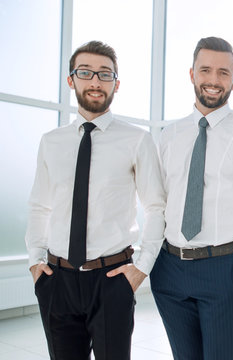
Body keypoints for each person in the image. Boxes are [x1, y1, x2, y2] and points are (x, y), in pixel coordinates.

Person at [25, 40, 166, 360]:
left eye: (105, 74)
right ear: (71, 80)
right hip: (57, 280)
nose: (95, 81)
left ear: (117, 84)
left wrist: (141, 268)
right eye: (86, 72)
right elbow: (39, 206)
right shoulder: (51, 142)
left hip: (112, 279)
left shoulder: (137, 139)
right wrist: (35, 261)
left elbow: (156, 207)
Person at [150, 36, 233, 360]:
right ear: (191, 74)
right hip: (170, 268)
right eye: (205, 69)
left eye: (224, 72)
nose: (213, 79)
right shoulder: (169, 136)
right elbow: (158, 203)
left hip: (224, 268)